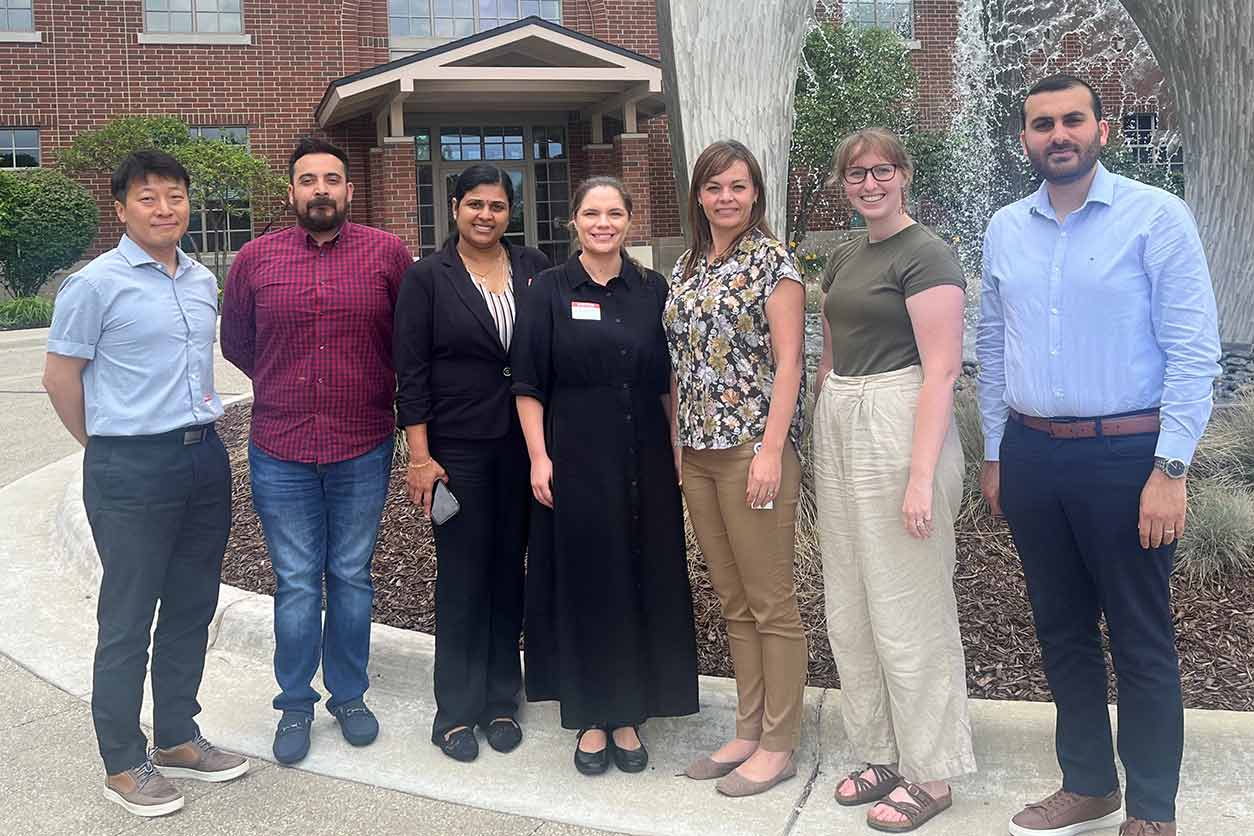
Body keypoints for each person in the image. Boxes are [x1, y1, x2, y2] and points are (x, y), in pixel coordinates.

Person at [978, 75, 1221, 836]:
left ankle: (1151, 809)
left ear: (1102, 130)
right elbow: (991, 344)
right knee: (1060, 629)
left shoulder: (1156, 217)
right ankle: (1087, 782)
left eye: (1072, 120)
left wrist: (1170, 468)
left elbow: (1194, 352)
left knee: (1141, 635)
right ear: (1024, 139)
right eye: (1042, 123)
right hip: (1031, 455)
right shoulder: (1004, 228)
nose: (1058, 134)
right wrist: (995, 454)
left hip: (1127, 458)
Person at [42, 150, 248, 817]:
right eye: (149, 197)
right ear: (122, 208)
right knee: (128, 618)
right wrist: (105, 447)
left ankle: (179, 736)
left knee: (193, 606)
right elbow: (60, 379)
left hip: (202, 457)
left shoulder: (199, 278)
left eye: (177, 196)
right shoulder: (94, 284)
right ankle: (123, 760)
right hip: (130, 463)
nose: (166, 209)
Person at [220, 137, 413, 765]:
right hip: (281, 445)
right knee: (298, 581)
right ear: (292, 191)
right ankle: (296, 702)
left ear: (349, 191)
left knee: (352, 576)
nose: (321, 190)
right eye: (309, 180)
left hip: (361, 442)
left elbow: (405, 343)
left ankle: (350, 695)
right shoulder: (255, 259)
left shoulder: (388, 255)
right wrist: (287, 382)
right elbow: (238, 343)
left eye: (333, 178)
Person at [812, 128, 975, 832]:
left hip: (901, 414)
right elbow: (829, 348)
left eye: (881, 171)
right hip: (844, 413)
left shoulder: (927, 253)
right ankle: (879, 751)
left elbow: (941, 370)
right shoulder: (846, 254)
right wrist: (819, 423)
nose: (869, 183)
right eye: (856, 174)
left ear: (905, 175)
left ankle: (931, 770)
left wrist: (919, 478)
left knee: (909, 605)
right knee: (851, 602)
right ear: (843, 184)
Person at [512, 176, 699, 776]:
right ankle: (592, 717)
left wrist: (675, 449)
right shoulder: (547, 290)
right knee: (588, 580)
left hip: (643, 454)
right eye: (591, 212)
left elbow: (668, 380)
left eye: (614, 213)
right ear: (574, 222)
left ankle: (629, 714)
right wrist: (540, 458)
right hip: (577, 456)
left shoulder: (652, 288)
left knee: (639, 576)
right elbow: (528, 384)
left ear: (628, 220)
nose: (603, 223)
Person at [393, 164, 551, 762]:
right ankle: (455, 712)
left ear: (511, 212)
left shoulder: (535, 269)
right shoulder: (427, 279)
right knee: (463, 578)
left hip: (523, 446)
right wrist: (419, 456)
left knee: (510, 572)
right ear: (454, 207)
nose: (486, 215)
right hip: (457, 451)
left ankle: (500, 701)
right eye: (475, 204)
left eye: (498, 206)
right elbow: (410, 373)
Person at [664, 140, 807, 797]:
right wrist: (675, 445)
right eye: (715, 186)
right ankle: (747, 729)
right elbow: (675, 366)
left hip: (752, 453)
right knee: (734, 601)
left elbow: (790, 363)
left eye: (739, 186)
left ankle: (779, 742)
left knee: (771, 603)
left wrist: (772, 449)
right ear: (698, 195)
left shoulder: (772, 261)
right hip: (698, 454)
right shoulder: (688, 265)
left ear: (756, 194)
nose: (727, 197)